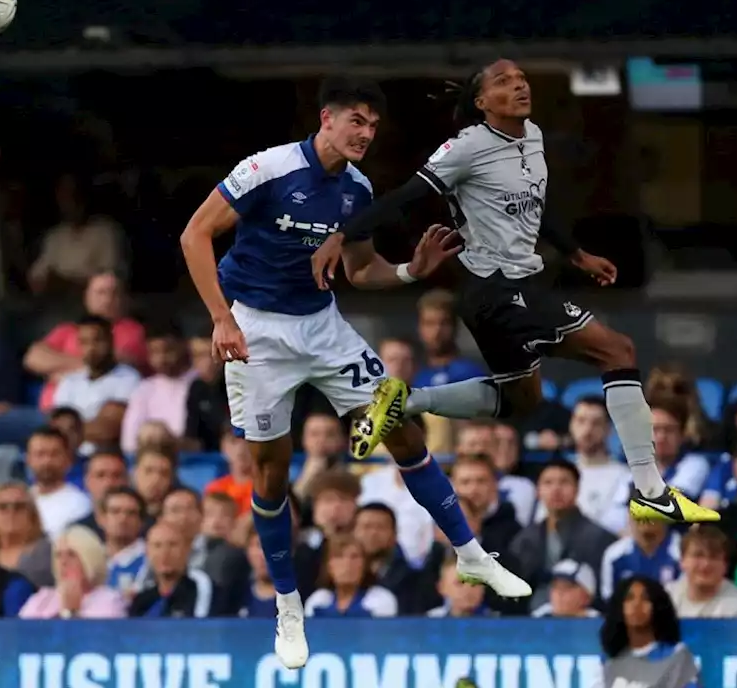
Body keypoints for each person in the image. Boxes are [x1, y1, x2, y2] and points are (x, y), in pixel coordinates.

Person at [179, 75, 528, 668]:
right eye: (356, 121)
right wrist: (220, 319)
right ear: (327, 119)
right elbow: (195, 235)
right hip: (254, 328)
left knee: (401, 425)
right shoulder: (267, 168)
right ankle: (288, 608)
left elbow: (363, 271)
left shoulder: (359, 189)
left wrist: (413, 272)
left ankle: (470, 553)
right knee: (269, 472)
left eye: (373, 125)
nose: (366, 133)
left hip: (321, 326)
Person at [309, 59, 719, 526]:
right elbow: (403, 197)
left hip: (510, 290)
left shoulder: (533, 137)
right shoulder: (465, 147)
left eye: (521, 78)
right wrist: (341, 236)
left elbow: (533, 206)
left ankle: (405, 399)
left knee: (522, 399)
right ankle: (651, 491)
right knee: (617, 350)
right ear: (482, 102)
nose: (519, 84)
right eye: (503, 82)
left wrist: (576, 255)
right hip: (498, 288)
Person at [599, 576, 701, 688]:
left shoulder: (678, 656)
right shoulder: (610, 660)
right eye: (629, 598)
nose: (636, 604)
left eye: (645, 598)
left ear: (658, 606)